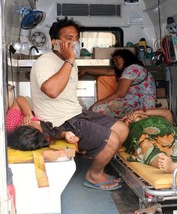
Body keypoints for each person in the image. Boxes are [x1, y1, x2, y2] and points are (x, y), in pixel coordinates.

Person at [30, 17, 129, 191]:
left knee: (122, 128)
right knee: (111, 139)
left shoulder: (71, 62)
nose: (74, 42)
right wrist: (69, 60)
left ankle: (96, 156)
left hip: (75, 114)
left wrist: (70, 61)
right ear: (55, 42)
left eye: (75, 38)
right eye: (68, 38)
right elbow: (52, 91)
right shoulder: (45, 62)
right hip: (58, 122)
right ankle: (94, 174)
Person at [89, 49, 157, 118]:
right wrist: (85, 70)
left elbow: (120, 94)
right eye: (114, 61)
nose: (115, 62)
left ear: (125, 58)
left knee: (97, 109)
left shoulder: (131, 68)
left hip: (139, 106)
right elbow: (108, 71)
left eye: (117, 59)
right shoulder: (135, 68)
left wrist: (97, 103)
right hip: (144, 106)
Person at [6, 96, 79, 151]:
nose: (38, 122)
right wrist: (65, 134)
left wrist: (28, 114)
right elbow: (51, 134)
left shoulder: (11, 122)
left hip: (26, 106)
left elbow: (19, 99)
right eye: (39, 125)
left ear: (21, 125)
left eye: (34, 122)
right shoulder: (39, 136)